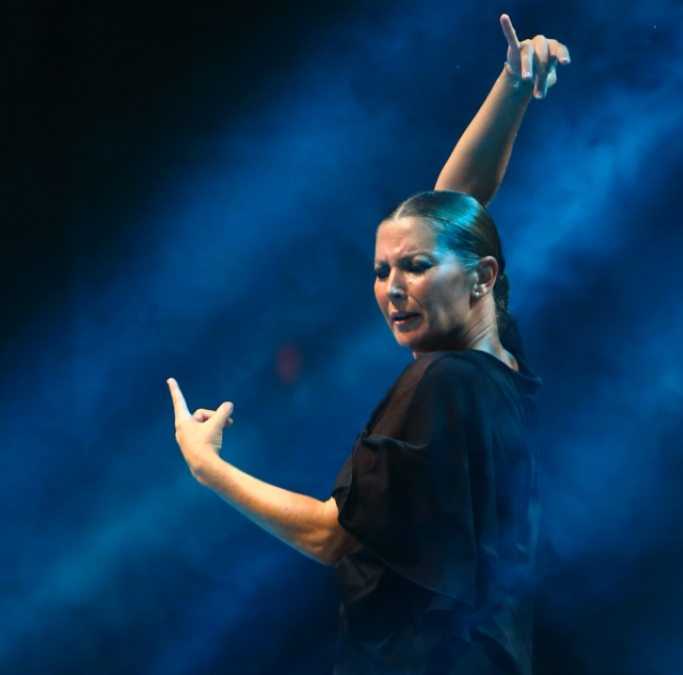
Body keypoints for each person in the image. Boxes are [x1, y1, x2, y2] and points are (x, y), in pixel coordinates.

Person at [168, 14, 569, 675]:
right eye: (382, 271)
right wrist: (512, 86)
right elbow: (453, 209)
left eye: (414, 267)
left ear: (481, 278)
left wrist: (207, 467)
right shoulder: (501, 369)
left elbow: (329, 534)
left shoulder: (442, 382)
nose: (392, 288)